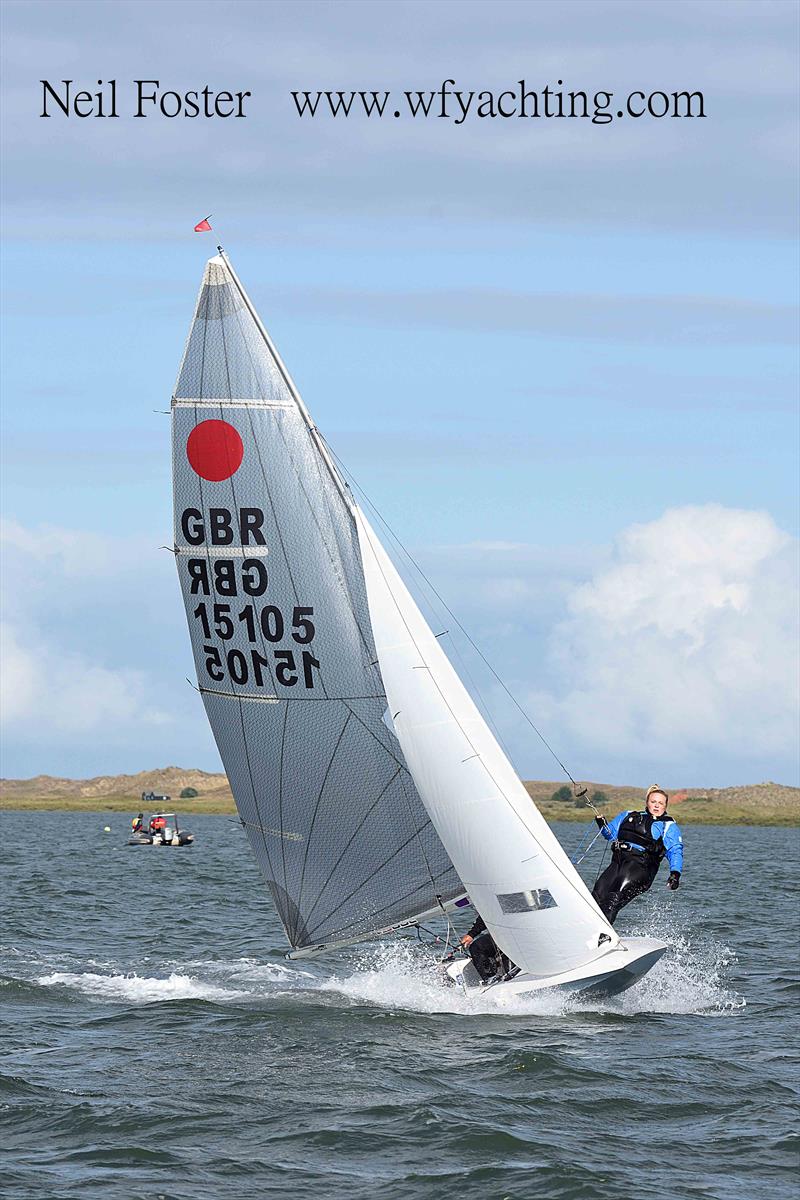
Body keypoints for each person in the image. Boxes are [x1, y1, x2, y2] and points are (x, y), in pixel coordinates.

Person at [591, 785, 683, 925]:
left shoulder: (668, 826)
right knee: (596, 898)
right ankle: (586, 934)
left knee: (612, 900)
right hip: (618, 863)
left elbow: (675, 851)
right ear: (647, 802)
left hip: (640, 868)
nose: (657, 806)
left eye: (661, 803)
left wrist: (675, 874)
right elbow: (609, 834)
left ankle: (602, 936)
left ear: (665, 806)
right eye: (653, 802)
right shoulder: (627, 815)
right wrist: (601, 823)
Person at [460, 913, 514, 983]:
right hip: (507, 934)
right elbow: (487, 912)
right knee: (476, 947)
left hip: (523, 935)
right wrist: (471, 934)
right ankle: (489, 979)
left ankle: (511, 971)